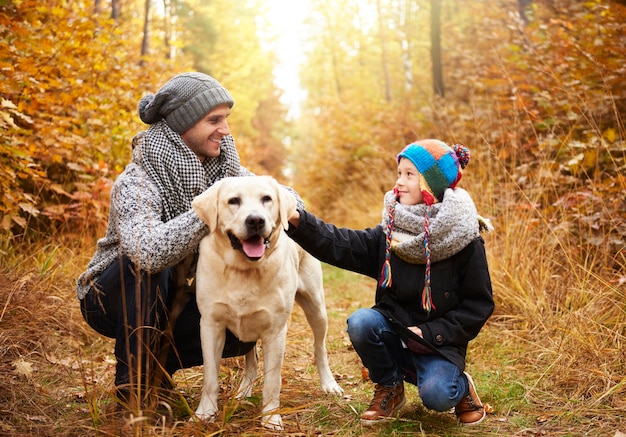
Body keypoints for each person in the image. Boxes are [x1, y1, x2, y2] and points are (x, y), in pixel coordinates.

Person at [76, 72, 303, 408]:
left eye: (226, 119)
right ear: (184, 124)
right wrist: (209, 210)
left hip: (175, 297)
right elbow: (147, 253)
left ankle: (157, 373)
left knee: (240, 333)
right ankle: (135, 390)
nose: (225, 130)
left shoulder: (225, 172)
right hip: (110, 295)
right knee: (147, 267)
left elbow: (291, 198)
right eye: (215, 120)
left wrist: (274, 207)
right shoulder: (138, 180)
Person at [286, 139, 494, 426]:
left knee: (436, 396)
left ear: (431, 185)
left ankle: (459, 386)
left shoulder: (466, 241)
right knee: (361, 322)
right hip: (393, 330)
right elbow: (341, 243)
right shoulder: (391, 232)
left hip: (438, 343)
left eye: (410, 175)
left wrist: (429, 332)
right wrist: (297, 219)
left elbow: (478, 304)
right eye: (399, 173)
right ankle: (390, 387)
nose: (400, 182)